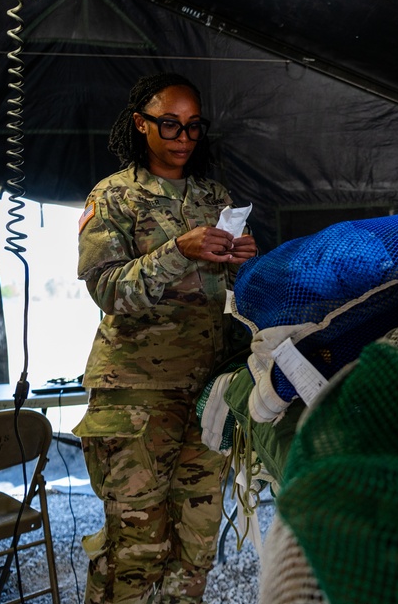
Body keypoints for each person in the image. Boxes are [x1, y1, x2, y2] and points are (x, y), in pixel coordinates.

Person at [73, 72, 257, 604]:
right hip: (136, 396)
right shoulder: (112, 196)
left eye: (193, 127)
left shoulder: (212, 195)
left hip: (210, 393)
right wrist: (181, 249)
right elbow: (109, 290)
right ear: (140, 123)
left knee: (196, 549)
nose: (182, 137)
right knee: (136, 548)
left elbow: (226, 295)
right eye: (170, 124)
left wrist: (242, 261)